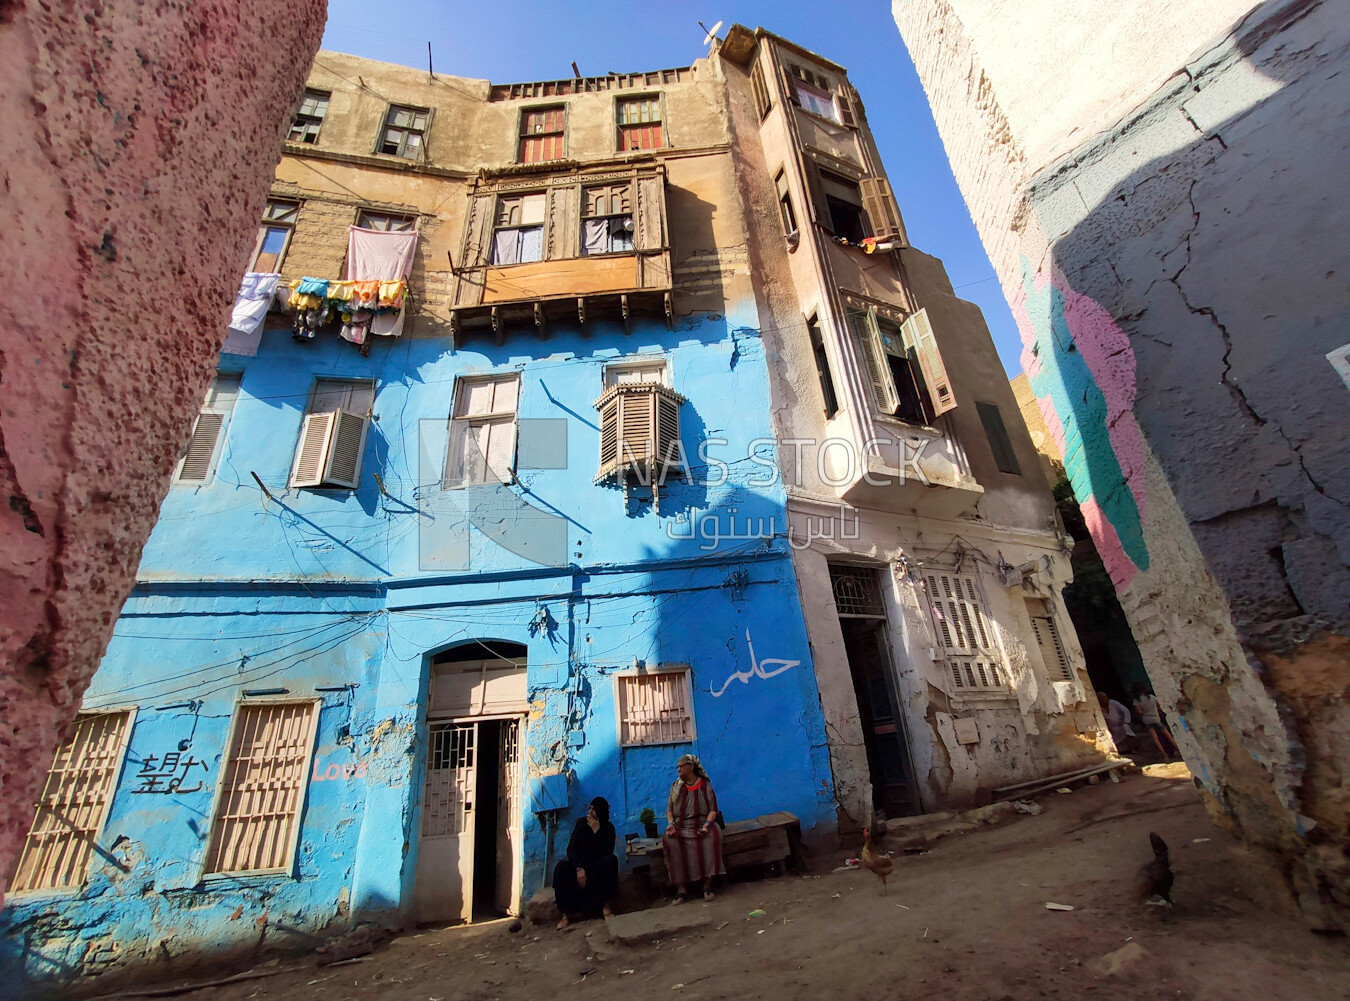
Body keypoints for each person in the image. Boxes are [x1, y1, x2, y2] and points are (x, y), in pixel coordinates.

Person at [662, 753, 725, 904]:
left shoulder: (705, 785)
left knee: (713, 837)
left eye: (682, 766)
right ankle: (681, 890)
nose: (679, 769)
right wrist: (671, 824)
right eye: (677, 767)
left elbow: (712, 810)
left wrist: (707, 825)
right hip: (682, 826)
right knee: (670, 841)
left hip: (702, 824)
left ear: (691, 767)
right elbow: (670, 810)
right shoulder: (676, 787)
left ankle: (707, 886)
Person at [553, 797, 619, 930]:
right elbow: (571, 849)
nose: (590, 812)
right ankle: (567, 914)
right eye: (590, 808)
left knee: (611, 861)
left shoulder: (608, 828)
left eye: (594, 809)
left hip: (597, 868)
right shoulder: (582, 824)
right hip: (580, 866)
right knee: (561, 868)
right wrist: (578, 868)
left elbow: (606, 852)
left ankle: (606, 908)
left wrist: (597, 832)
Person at [1132, 684, 1179, 761]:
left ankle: (1165, 756)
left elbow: (1139, 711)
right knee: (1168, 735)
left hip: (1147, 720)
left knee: (1155, 739)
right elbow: (1159, 706)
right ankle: (1179, 749)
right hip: (1156, 718)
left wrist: (1143, 711)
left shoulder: (1137, 701)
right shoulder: (1151, 697)